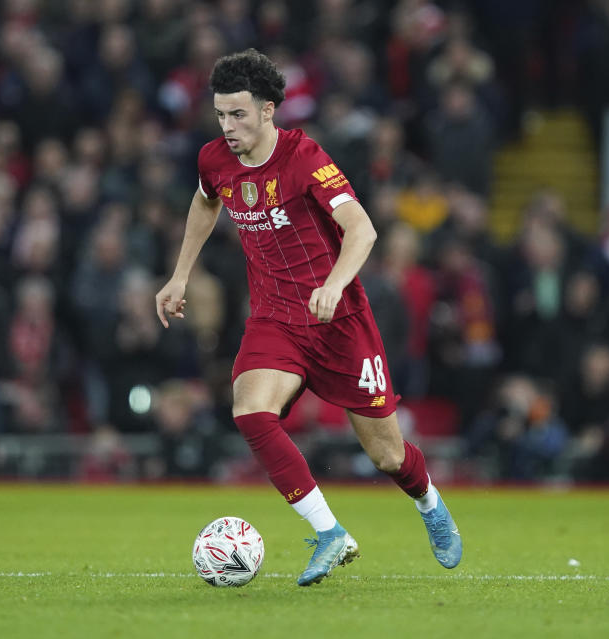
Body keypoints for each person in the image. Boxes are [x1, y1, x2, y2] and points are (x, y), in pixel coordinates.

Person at [155, 49, 462, 587]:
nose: (227, 127)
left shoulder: (303, 157)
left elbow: (362, 229)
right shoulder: (213, 160)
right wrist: (180, 275)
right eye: (220, 115)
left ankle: (430, 503)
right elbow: (206, 202)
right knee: (250, 411)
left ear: (270, 110)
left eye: (239, 115)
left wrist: (335, 283)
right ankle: (330, 533)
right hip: (275, 318)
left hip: (339, 321)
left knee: (387, 455)